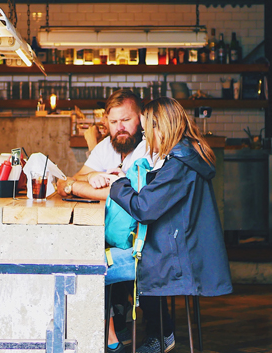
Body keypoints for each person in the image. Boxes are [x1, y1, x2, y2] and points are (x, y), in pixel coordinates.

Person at [105, 97, 233, 353]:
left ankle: (116, 338)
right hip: (178, 247)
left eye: (146, 130)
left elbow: (143, 208)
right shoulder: (185, 157)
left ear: (160, 128)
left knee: (99, 266)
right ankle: (125, 332)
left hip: (176, 256)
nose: (146, 138)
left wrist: (118, 184)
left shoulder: (179, 164)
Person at [55, 89, 161, 351]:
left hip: (147, 242)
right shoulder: (107, 146)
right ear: (106, 123)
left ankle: (112, 332)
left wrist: (75, 186)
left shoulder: (150, 148)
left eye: (126, 120)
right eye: (113, 123)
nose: (120, 128)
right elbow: (76, 177)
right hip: (118, 233)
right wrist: (89, 179)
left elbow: (129, 195)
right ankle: (111, 330)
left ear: (141, 119)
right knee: (84, 249)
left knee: (90, 261)